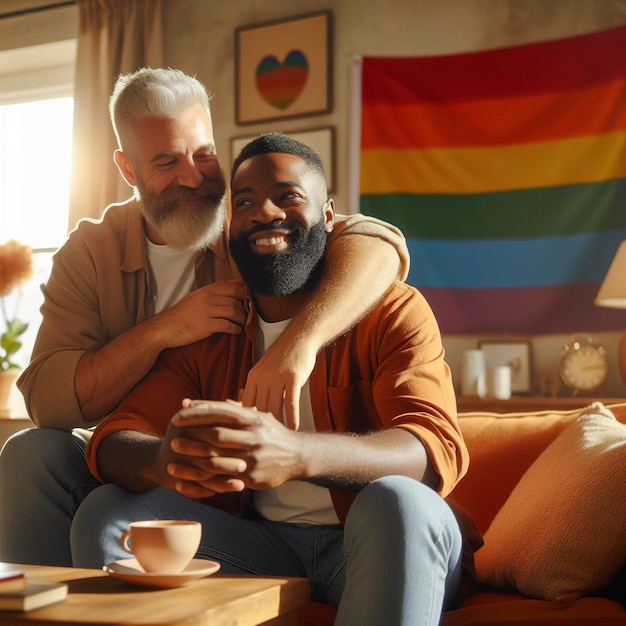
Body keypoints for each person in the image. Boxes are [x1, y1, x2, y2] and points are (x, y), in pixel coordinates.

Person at [0, 68, 409, 566]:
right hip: (136, 462)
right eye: (167, 161)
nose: (192, 177)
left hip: (236, 479)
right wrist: (164, 330)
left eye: (204, 154)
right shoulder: (89, 251)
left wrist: (296, 344)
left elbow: (376, 244)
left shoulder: (250, 225)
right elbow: (46, 399)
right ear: (128, 170)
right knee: (29, 453)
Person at [70, 133, 478, 626]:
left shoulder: (393, 309)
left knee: (398, 502)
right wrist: (162, 458)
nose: (265, 212)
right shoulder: (209, 329)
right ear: (227, 232)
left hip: (380, 542)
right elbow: (116, 436)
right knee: (106, 512)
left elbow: (432, 450)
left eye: (288, 196)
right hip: (257, 547)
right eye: (245, 202)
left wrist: (298, 454)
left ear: (329, 218)